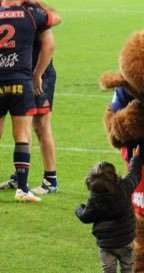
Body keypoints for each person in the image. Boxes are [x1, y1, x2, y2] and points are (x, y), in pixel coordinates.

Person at [0, 0, 60, 202]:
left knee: (40, 125)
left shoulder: (33, 10)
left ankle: (50, 178)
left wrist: (38, 74)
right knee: (24, 129)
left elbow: (49, 45)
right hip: (21, 76)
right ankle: (20, 179)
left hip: (38, 74)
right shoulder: (28, 12)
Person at [75, 146, 143, 273]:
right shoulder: (124, 188)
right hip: (126, 240)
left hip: (106, 244)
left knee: (108, 272)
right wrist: (135, 159)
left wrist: (79, 208)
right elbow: (135, 175)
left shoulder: (95, 200)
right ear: (114, 177)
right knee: (128, 270)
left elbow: (85, 217)